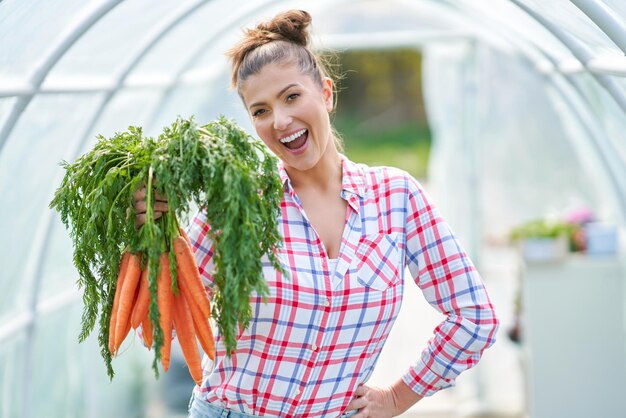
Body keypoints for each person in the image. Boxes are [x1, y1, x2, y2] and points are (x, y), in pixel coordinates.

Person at [135, 9, 498, 418]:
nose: (281, 121)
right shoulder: (239, 202)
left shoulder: (397, 197)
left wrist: (398, 397)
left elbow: (474, 316)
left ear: (326, 93)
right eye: (261, 111)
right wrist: (153, 236)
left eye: (292, 97)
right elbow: (162, 315)